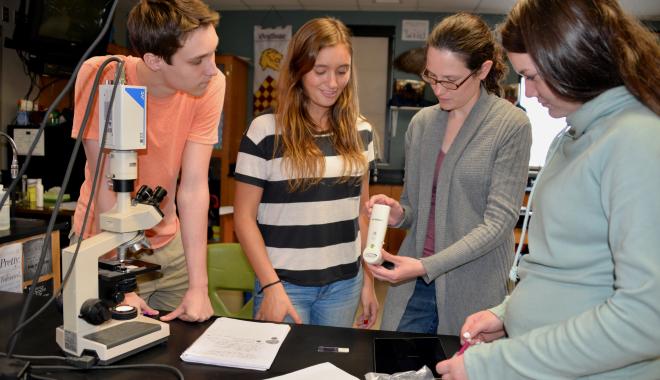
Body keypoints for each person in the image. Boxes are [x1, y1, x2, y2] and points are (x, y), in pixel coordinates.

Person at [436, 1, 660, 379]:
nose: (528, 90)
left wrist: (493, 364)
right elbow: (573, 268)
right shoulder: (577, 133)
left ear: (576, 63)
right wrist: (507, 314)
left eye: (534, 76)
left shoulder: (636, 141)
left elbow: (646, 317)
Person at [366, 12, 532, 335]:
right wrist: (399, 214)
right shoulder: (423, 124)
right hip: (413, 283)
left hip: (472, 286)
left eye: (451, 80)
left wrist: (427, 265)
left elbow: (497, 225)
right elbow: (415, 207)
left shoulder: (510, 126)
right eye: (432, 76)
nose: (438, 89)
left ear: (482, 70)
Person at [71, 0, 225, 322]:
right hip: (102, 241)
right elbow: (105, 182)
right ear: (154, 60)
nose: (212, 69)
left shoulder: (210, 84)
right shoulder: (102, 75)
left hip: (169, 243)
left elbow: (194, 186)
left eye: (213, 53)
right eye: (198, 60)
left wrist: (199, 286)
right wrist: (120, 278)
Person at [233, 17, 378, 328]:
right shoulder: (264, 132)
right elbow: (244, 218)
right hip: (284, 286)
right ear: (298, 70)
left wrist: (367, 280)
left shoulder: (362, 131)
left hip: (344, 285)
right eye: (320, 71)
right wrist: (270, 286)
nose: (333, 82)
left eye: (342, 71)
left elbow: (361, 214)